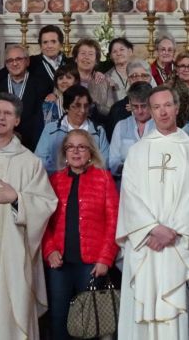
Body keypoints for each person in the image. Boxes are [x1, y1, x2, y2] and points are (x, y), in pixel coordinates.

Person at [116, 86, 189, 339]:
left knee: (177, 308)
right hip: (146, 242)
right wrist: (152, 228)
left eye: (167, 105)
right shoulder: (138, 151)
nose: (163, 111)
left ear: (177, 107)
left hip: (179, 242)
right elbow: (130, 195)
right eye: (156, 107)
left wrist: (172, 231)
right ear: (149, 111)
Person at [0, 93, 58, 339]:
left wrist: (16, 198)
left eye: (7, 113)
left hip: (12, 250)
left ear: (17, 121)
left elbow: (47, 203)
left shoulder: (29, 162)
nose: (1, 117)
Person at [42, 129, 121, 340]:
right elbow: (43, 222)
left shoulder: (103, 179)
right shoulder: (54, 180)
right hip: (60, 265)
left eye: (81, 147)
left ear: (90, 152)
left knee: (90, 322)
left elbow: (114, 222)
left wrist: (105, 258)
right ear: (65, 152)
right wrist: (49, 251)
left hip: (92, 265)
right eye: (71, 147)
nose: (76, 152)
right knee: (59, 320)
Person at [0, 44, 48, 150]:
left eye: (18, 59)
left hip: (32, 144)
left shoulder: (41, 85)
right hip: (2, 143)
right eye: (10, 60)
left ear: (27, 61)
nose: (14, 63)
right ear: (6, 64)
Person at [36, 85, 110, 173]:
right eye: (77, 106)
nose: (82, 110)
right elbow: (39, 160)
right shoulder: (51, 129)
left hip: (90, 182)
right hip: (56, 181)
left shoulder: (98, 131)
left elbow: (105, 163)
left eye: (86, 106)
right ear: (66, 107)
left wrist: (82, 171)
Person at [108, 82, 155, 178]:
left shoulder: (160, 126)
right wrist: (126, 167)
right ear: (129, 103)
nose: (140, 111)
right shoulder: (121, 126)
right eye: (135, 106)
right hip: (126, 182)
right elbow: (113, 161)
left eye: (143, 106)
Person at [105, 60, 153, 135]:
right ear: (128, 80)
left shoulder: (161, 105)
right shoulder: (117, 109)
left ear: (151, 78)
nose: (139, 80)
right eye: (134, 76)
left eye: (144, 76)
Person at [71, 38, 116, 112]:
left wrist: (95, 107)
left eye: (91, 54)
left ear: (96, 61)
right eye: (83, 53)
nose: (86, 57)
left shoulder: (104, 82)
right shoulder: (65, 79)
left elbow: (110, 110)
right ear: (76, 58)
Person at [105, 37, 136, 101]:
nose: (118, 53)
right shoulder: (106, 77)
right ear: (110, 56)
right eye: (114, 51)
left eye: (122, 49)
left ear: (130, 51)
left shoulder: (143, 73)